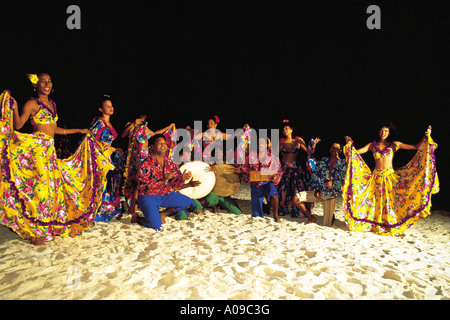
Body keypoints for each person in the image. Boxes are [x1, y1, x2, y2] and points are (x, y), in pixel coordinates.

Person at [0, 74, 113, 245]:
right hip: (37, 150)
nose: (46, 84)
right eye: (42, 81)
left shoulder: (52, 104)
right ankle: (35, 233)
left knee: (52, 190)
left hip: (49, 151)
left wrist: (77, 130)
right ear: (35, 85)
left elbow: (54, 129)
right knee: (40, 191)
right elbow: (18, 125)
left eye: (49, 81)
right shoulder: (32, 103)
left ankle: (46, 226)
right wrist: (15, 108)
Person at [343, 123, 439, 236]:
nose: (383, 133)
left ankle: (391, 225)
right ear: (378, 132)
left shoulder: (395, 145)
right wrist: (349, 144)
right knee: (376, 203)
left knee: (391, 203)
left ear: (389, 133)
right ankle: (375, 224)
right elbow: (354, 153)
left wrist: (427, 136)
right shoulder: (372, 145)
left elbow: (416, 147)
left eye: (386, 131)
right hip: (376, 178)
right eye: (382, 130)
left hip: (389, 177)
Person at [121, 113, 174, 222]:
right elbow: (123, 135)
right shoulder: (132, 126)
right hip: (135, 157)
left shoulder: (145, 128)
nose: (144, 119)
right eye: (142, 117)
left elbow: (155, 134)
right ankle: (133, 207)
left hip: (145, 155)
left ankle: (135, 206)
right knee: (134, 182)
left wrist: (168, 127)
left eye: (144, 117)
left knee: (141, 182)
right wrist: (133, 123)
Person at [136, 134, 196, 231]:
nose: (162, 145)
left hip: (164, 195)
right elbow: (144, 187)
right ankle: (139, 219)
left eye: (164, 143)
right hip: (148, 197)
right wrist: (162, 181)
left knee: (189, 203)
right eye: (159, 142)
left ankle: (162, 214)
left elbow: (174, 184)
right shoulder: (146, 164)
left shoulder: (170, 163)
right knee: (155, 225)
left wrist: (182, 178)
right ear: (152, 146)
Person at [89, 95, 124, 222]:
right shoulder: (99, 122)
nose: (111, 108)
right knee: (100, 183)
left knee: (108, 182)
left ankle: (107, 210)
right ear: (100, 109)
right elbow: (91, 139)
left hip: (107, 155)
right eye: (107, 106)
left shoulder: (108, 123)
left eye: (111, 106)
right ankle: (95, 211)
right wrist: (113, 149)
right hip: (100, 156)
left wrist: (113, 149)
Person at [296, 140, 346, 225]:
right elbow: (313, 170)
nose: (334, 149)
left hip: (330, 195)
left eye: (337, 148)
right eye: (333, 147)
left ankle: (331, 215)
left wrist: (333, 182)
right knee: (296, 198)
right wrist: (317, 189)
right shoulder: (323, 161)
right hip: (319, 192)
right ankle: (311, 217)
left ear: (340, 150)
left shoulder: (343, 164)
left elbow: (343, 180)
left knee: (327, 224)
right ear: (330, 149)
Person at [277, 119, 316, 219]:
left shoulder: (298, 140)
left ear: (291, 129)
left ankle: (299, 210)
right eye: (283, 129)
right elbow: (274, 154)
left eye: (287, 129)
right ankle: (284, 210)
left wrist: (313, 145)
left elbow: (308, 152)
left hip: (294, 169)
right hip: (284, 168)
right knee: (283, 190)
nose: (285, 131)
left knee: (296, 189)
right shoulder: (280, 141)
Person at [240, 137, 283, 222]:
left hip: (266, 183)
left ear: (267, 145)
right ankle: (263, 208)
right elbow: (244, 167)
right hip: (255, 184)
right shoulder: (251, 156)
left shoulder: (272, 157)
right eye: (258, 143)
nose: (260, 145)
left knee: (273, 193)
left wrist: (275, 176)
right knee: (257, 215)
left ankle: (276, 216)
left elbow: (278, 170)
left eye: (262, 143)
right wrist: (247, 176)